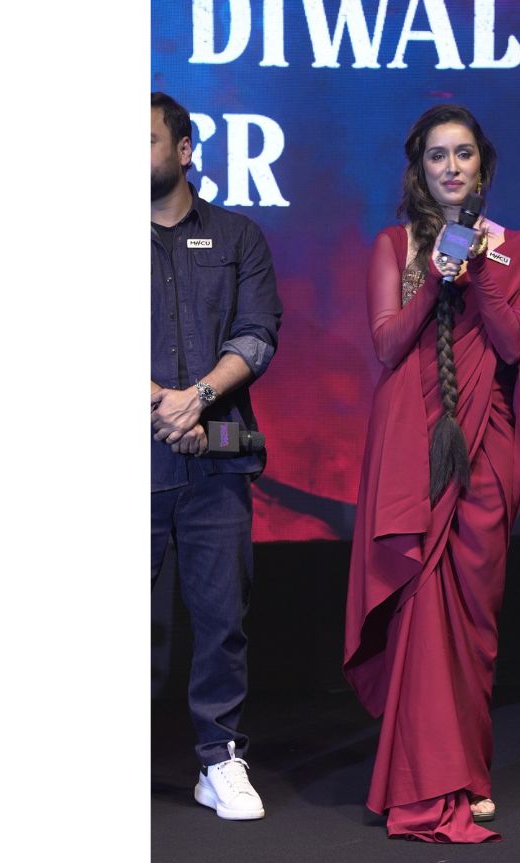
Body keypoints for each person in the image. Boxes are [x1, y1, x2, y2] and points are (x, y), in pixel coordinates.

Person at [343, 105, 520, 842]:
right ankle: (429, 775)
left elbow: (515, 346)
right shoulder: (392, 245)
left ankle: (473, 771)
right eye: (437, 155)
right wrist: (433, 277)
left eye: (463, 153)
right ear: (419, 169)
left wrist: (482, 275)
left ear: (482, 166)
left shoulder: (516, 248)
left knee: (476, 623)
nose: (451, 167)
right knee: (421, 614)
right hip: (411, 450)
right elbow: (387, 346)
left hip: (485, 448)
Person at [150, 91, 283, 820]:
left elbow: (258, 334)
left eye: (143, 140)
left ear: (183, 150)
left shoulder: (238, 237)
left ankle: (219, 759)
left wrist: (197, 399)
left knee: (221, 619)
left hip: (219, 454)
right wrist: (165, 406)